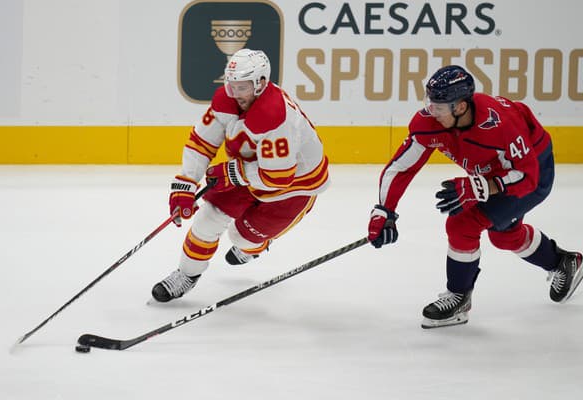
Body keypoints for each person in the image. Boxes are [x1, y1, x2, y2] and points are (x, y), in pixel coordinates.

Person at [367, 65, 583, 328]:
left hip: (532, 170)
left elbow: (528, 177)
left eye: (440, 106)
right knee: (503, 236)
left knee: (463, 224)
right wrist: (383, 211)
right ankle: (563, 262)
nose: (431, 112)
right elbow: (401, 167)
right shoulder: (430, 123)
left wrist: (478, 187)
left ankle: (459, 297)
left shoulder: (501, 124)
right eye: (430, 103)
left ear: (460, 107)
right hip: (496, 172)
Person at [152, 49, 330, 302]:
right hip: (249, 171)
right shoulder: (228, 100)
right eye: (231, 85)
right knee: (207, 219)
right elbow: (201, 141)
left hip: (294, 187)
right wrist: (186, 183)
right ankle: (186, 275)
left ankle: (255, 246)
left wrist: (232, 172)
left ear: (261, 83)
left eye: (242, 87)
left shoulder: (276, 116)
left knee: (240, 237)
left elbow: (278, 177)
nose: (235, 94)